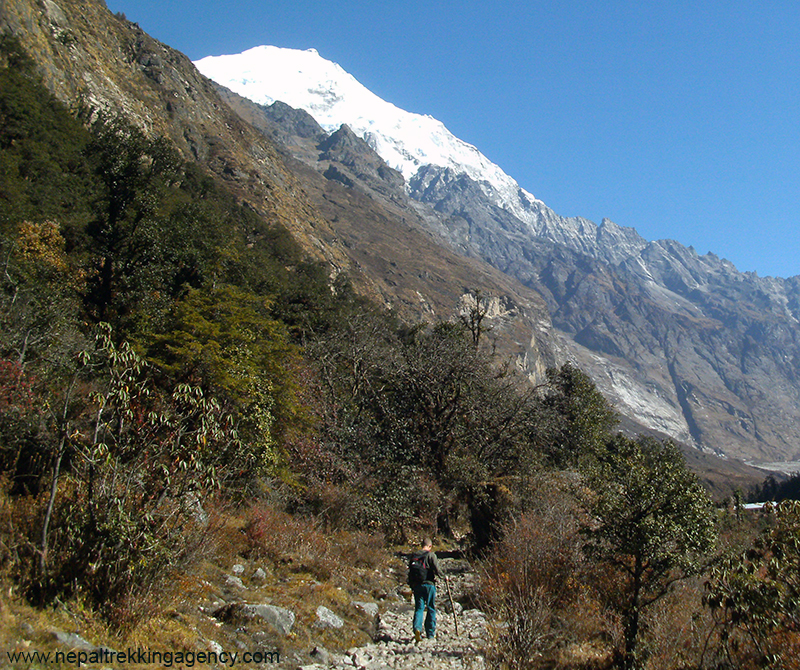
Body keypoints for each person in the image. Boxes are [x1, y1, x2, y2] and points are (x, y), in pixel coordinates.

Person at [407, 537, 442, 642]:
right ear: (430, 546)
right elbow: (437, 569)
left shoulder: (414, 556)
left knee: (419, 608)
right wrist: (444, 577)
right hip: (429, 585)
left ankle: (417, 629)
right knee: (431, 607)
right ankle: (430, 633)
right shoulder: (431, 555)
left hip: (417, 586)